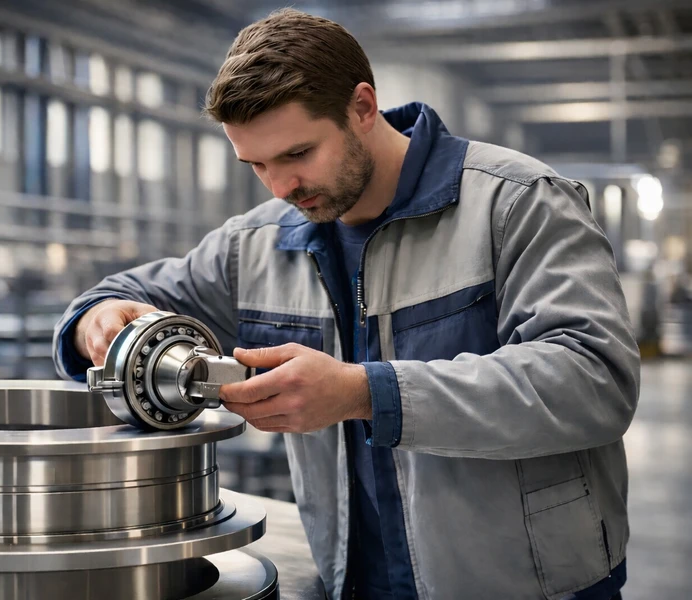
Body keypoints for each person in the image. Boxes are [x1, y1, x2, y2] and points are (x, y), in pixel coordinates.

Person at [53, 9, 639, 600]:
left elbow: (595, 378)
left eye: (298, 153)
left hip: (531, 587)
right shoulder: (253, 246)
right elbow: (115, 298)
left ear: (363, 108)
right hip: (353, 585)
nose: (280, 187)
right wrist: (95, 325)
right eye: (256, 164)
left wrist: (366, 393)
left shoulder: (516, 205)